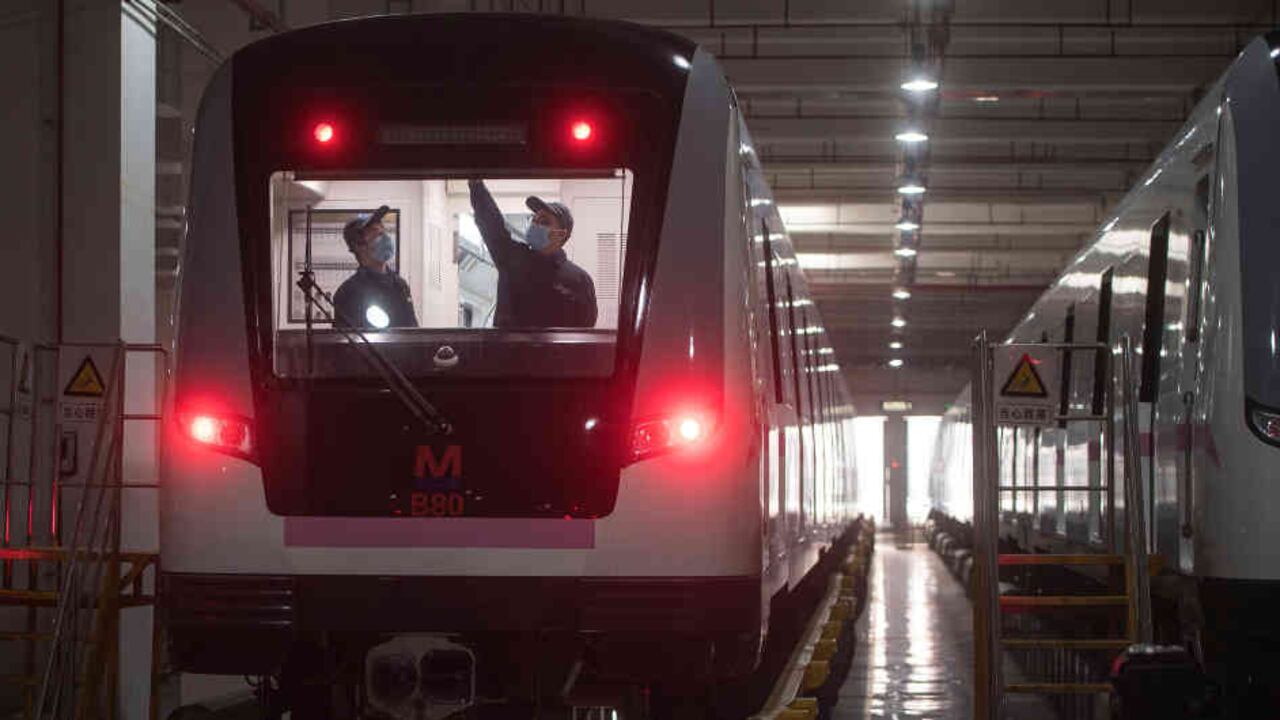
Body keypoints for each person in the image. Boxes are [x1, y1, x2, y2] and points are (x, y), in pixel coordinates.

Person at [467, 179, 597, 328]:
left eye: (544, 221)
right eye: (533, 220)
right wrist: (476, 184)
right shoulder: (512, 259)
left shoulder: (579, 280)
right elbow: (490, 222)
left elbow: (585, 333)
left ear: (561, 235)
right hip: (508, 351)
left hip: (555, 352)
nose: (535, 225)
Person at [332, 205, 418, 330]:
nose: (386, 238)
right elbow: (347, 344)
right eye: (377, 234)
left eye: (383, 232)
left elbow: (413, 332)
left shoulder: (400, 285)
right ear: (359, 246)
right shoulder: (348, 293)